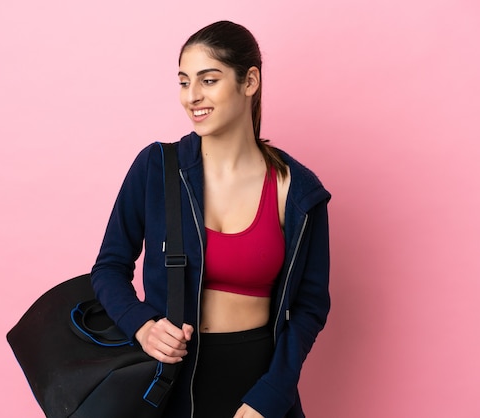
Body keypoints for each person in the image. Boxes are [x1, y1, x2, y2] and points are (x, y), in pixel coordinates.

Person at [91, 20, 331, 418]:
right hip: (167, 383)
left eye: (209, 80)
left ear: (249, 81)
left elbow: (310, 306)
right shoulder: (156, 167)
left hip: (258, 386)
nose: (192, 97)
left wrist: (272, 393)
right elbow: (109, 268)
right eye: (184, 82)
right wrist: (142, 325)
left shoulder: (298, 189)